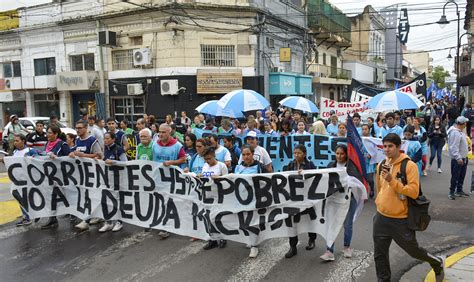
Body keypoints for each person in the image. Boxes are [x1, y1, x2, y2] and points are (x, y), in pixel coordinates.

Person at [373, 133, 444, 282]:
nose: (386, 149)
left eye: (390, 146)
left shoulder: (409, 165)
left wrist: (392, 181)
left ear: (398, 147)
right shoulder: (381, 165)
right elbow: (380, 189)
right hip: (381, 217)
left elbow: (413, 192)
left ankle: (437, 262)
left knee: (414, 251)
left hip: (401, 220)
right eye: (384, 146)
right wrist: (380, 202)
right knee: (380, 254)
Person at [320, 144, 358, 261]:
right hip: (334, 200)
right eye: (337, 153)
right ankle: (329, 250)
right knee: (331, 224)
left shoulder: (351, 167)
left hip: (349, 200)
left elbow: (356, 181)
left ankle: (347, 247)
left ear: (346, 154)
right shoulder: (330, 166)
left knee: (347, 225)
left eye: (342, 153)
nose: (339, 156)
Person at [234, 145, 269, 258]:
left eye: (248, 154)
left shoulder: (260, 167)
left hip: (255, 200)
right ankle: (251, 239)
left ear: (253, 154)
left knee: (253, 221)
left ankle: (254, 246)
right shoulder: (238, 167)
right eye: (243, 155)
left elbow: (268, 180)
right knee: (244, 221)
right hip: (241, 200)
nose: (246, 157)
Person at [283, 144, 318, 259]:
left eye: (298, 153)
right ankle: (293, 246)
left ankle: (312, 239)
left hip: (307, 198)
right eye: (295, 153)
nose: (296, 155)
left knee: (309, 219)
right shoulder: (291, 164)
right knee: (291, 221)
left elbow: (316, 178)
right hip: (293, 198)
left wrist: (306, 173)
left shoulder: (309, 165)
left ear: (304, 154)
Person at [71, 120, 103, 231]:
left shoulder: (92, 141)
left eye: (80, 128)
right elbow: (76, 153)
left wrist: (84, 155)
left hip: (92, 173)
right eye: (76, 128)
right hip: (81, 173)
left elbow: (99, 156)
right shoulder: (77, 140)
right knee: (86, 196)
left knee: (90, 197)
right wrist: (73, 154)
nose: (78, 130)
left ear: (86, 128)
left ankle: (86, 220)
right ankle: (97, 216)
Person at [0, 134, 38, 226]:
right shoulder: (15, 152)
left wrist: (31, 159)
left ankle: (28, 216)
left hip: (28, 180)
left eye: (17, 141)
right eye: (15, 141)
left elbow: (38, 161)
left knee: (27, 198)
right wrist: (4, 160)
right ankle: (29, 214)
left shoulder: (30, 150)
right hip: (17, 180)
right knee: (17, 195)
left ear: (23, 141)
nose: (15, 143)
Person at [40, 126, 71, 229]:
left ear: (56, 134)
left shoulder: (63, 144)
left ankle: (74, 214)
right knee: (50, 197)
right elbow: (43, 155)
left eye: (49, 133)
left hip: (62, 177)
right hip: (49, 176)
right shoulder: (47, 144)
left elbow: (70, 158)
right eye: (47, 133)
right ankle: (52, 219)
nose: (47, 135)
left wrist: (57, 158)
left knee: (68, 196)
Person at [200, 147, 229, 250]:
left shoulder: (222, 166)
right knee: (208, 218)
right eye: (206, 159)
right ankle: (212, 240)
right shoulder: (205, 166)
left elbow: (228, 181)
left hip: (219, 195)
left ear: (214, 156)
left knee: (219, 218)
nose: (208, 161)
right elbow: (204, 178)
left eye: (209, 159)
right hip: (208, 195)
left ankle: (222, 238)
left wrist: (219, 178)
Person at [99, 132, 128, 232]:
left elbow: (125, 163)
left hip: (118, 179)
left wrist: (114, 162)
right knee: (106, 200)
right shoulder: (105, 149)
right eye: (104, 138)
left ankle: (119, 222)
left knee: (117, 200)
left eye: (107, 138)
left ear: (113, 139)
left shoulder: (119, 149)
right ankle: (109, 222)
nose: (105, 140)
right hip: (107, 179)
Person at [447, 116, 470, 200]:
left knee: (461, 175)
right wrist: (458, 158)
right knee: (455, 176)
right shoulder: (455, 133)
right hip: (458, 159)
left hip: (463, 157)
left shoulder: (459, 131)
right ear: (462, 124)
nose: (466, 124)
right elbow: (453, 147)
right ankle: (451, 192)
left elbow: (459, 144)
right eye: (465, 123)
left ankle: (459, 190)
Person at [361, 124, 376, 198]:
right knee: (362, 179)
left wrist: (371, 155)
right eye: (363, 129)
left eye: (365, 129)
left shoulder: (372, 139)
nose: (364, 131)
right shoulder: (359, 139)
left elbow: (376, 150)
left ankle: (372, 189)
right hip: (361, 162)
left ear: (369, 130)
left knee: (370, 179)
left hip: (370, 163)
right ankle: (364, 193)